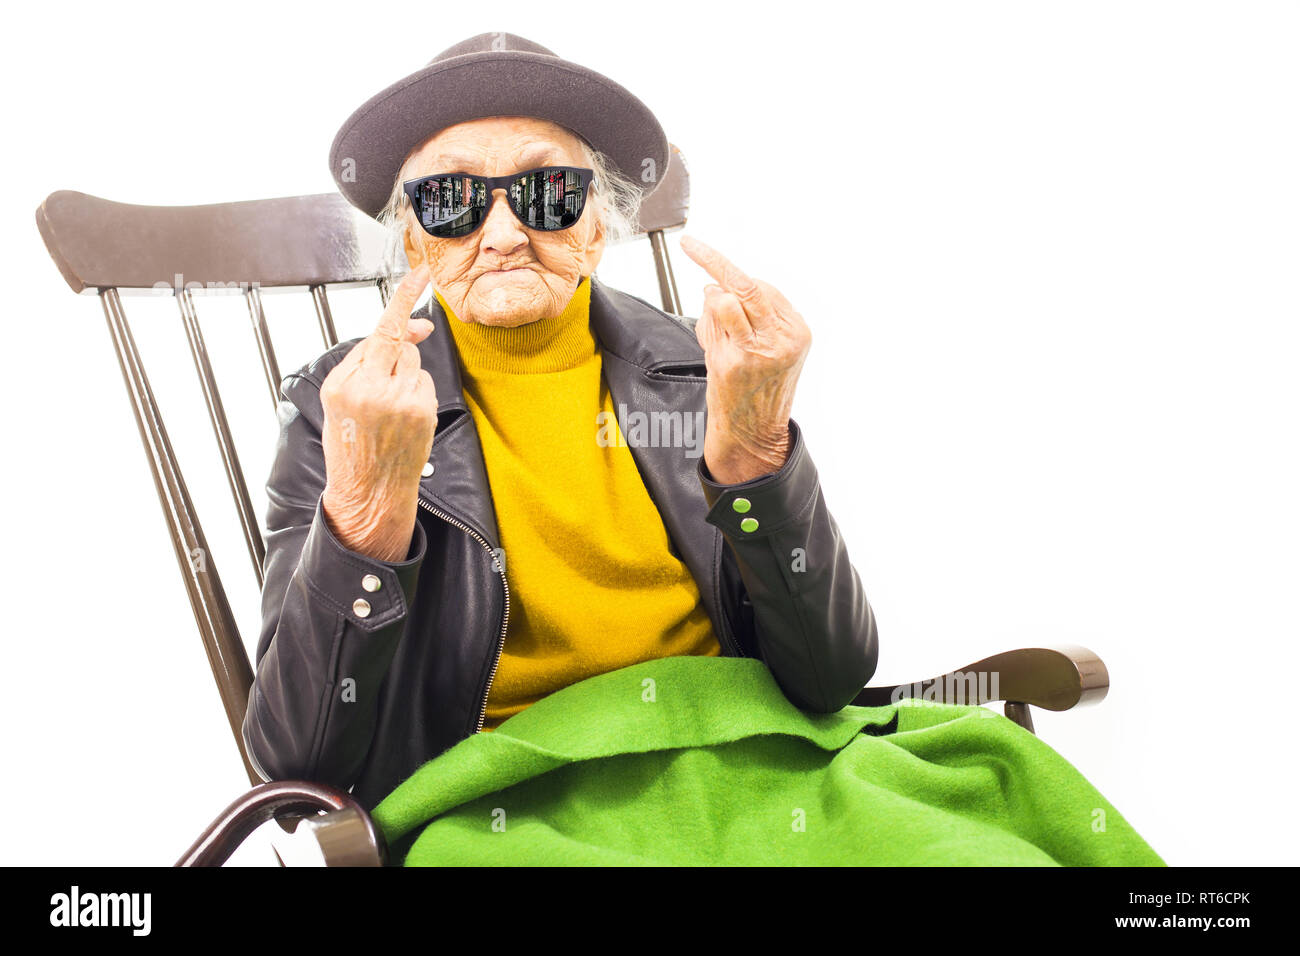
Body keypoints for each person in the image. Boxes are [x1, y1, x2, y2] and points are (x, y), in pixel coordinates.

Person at [242, 32, 878, 810]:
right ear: (411, 239)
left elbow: (832, 675)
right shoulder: (336, 407)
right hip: (508, 799)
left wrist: (756, 452)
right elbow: (296, 758)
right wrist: (368, 513)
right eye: (450, 200)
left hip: (749, 760)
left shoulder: (705, 367)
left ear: (597, 225)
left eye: (548, 192)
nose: (506, 236)